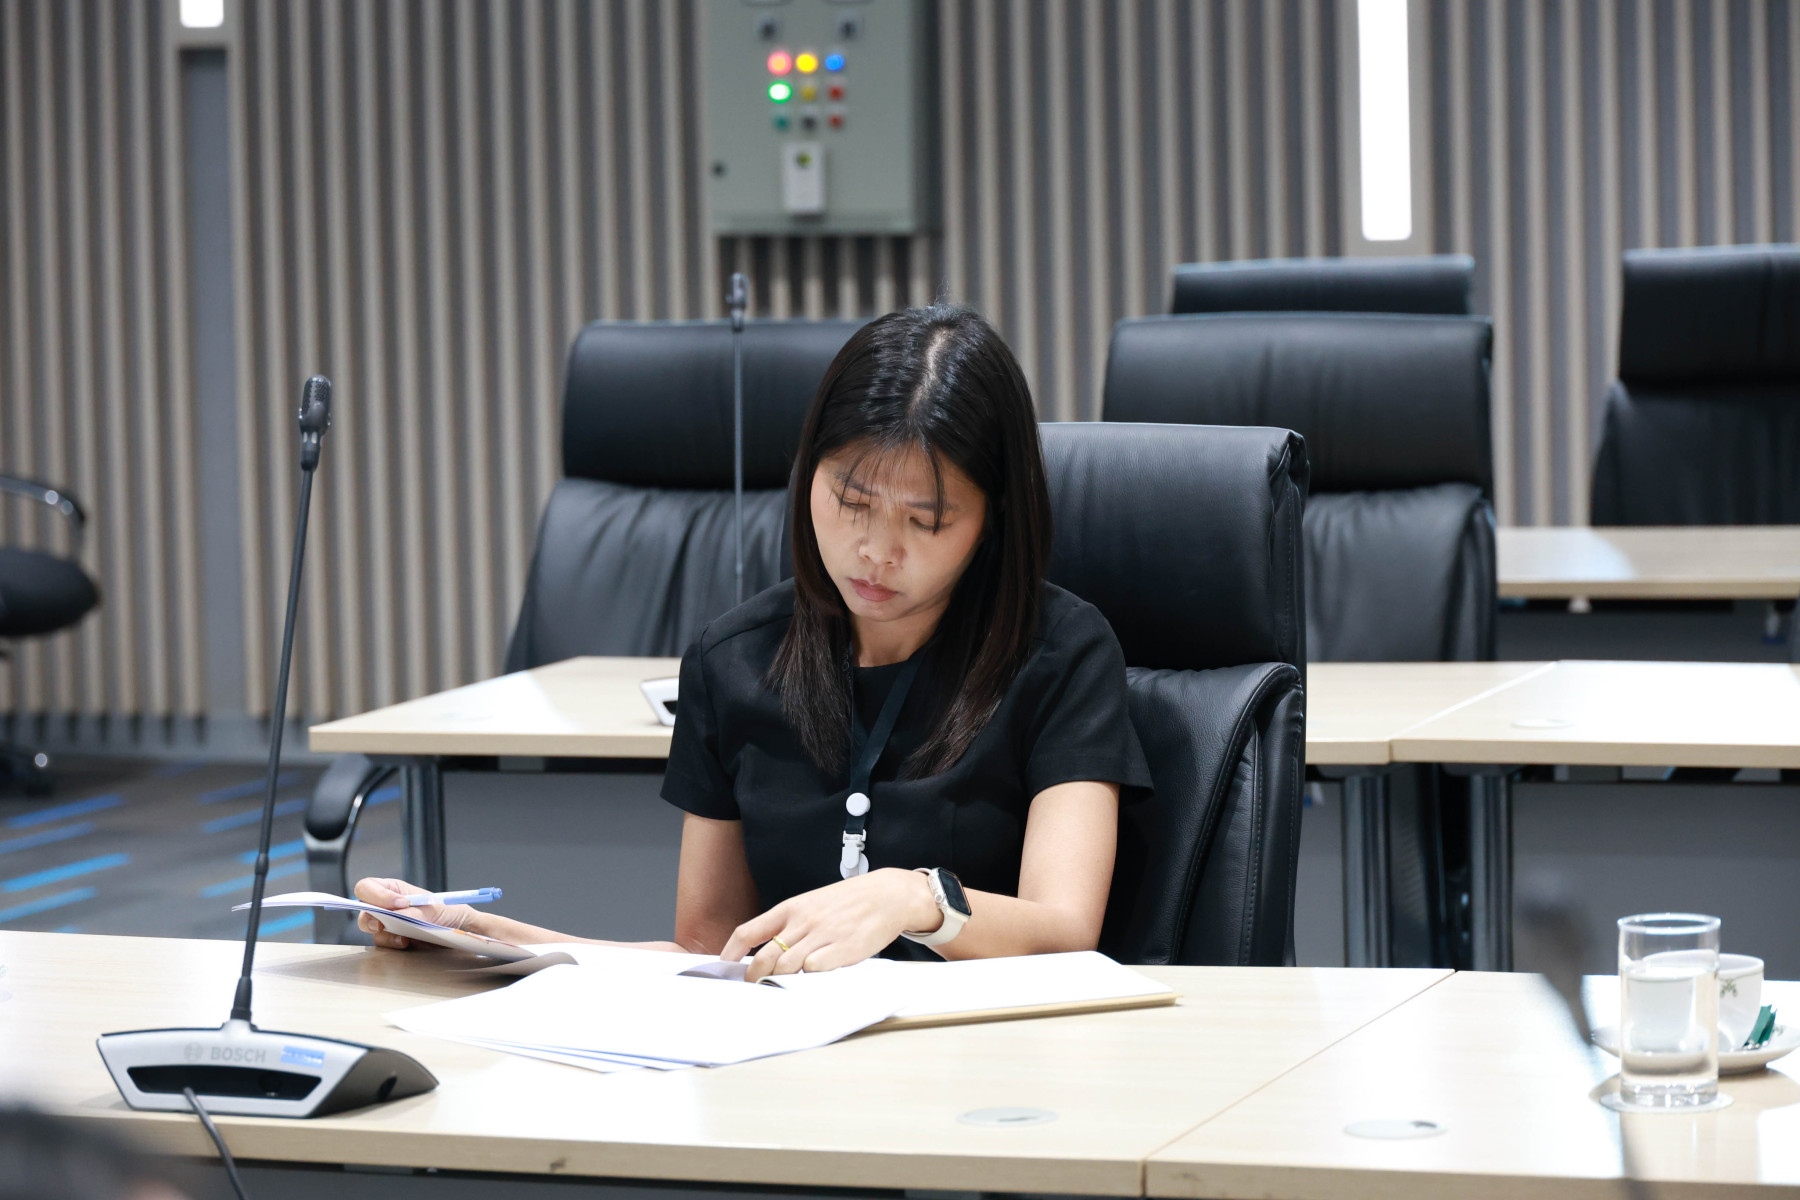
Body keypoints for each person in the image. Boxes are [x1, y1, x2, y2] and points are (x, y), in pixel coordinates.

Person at [356, 305, 1150, 981]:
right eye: (851, 501)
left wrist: (917, 899)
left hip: (992, 1071)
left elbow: (1065, 930)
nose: (877, 550)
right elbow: (706, 957)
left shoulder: (1061, 653)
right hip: (797, 1069)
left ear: (995, 520)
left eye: (926, 520)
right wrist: (485, 938)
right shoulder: (734, 660)